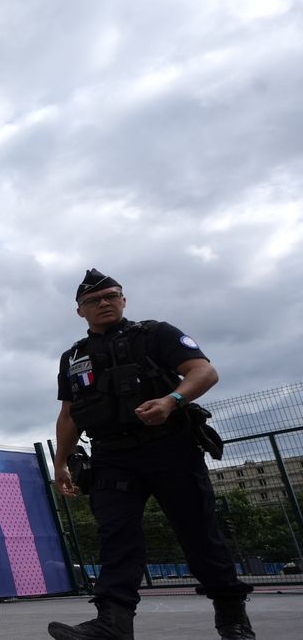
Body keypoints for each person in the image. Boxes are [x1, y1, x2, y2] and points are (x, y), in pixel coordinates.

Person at [48, 269, 255, 640]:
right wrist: (60, 461)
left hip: (169, 447)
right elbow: (69, 414)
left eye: (111, 296)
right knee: (116, 537)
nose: (104, 303)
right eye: (93, 301)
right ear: (79, 311)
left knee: (199, 535)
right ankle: (112, 623)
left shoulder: (156, 334)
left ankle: (232, 618)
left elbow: (204, 371)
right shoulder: (73, 357)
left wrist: (172, 400)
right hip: (111, 455)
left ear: (124, 300)